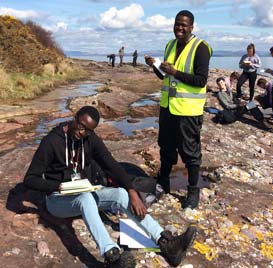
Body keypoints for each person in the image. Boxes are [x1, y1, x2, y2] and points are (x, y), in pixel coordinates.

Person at [23, 106, 197, 268]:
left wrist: (132, 191)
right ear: (74, 118)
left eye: (87, 130)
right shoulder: (52, 141)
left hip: (84, 193)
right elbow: (30, 179)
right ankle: (111, 256)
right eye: (79, 125)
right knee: (85, 198)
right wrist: (58, 186)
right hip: (57, 200)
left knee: (120, 194)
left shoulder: (89, 138)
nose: (80, 132)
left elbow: (111, 165)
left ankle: (166, 242)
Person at [145, 10, 212, 209]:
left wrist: (175, 71)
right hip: (167, 108)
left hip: (188, 110)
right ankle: (163, 182)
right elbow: (166, 77)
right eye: (177, 24)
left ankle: (193, 190)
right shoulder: (170, 45)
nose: (179, 28)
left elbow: (201, 80)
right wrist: (156, 67)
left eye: (184, 25)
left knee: (190, 152)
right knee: (165, 146)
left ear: (191, 27)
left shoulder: (201, 48)